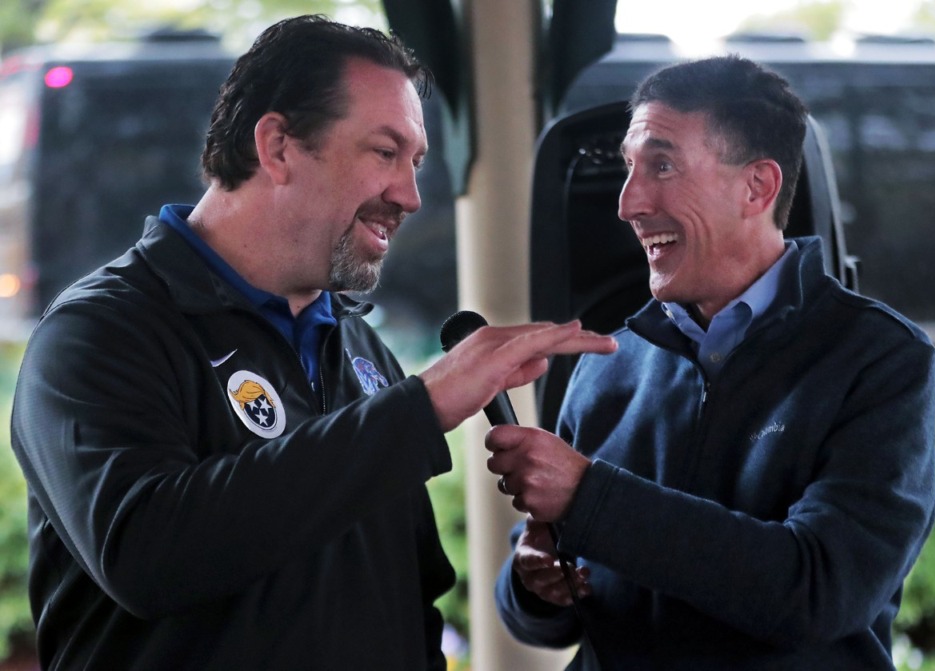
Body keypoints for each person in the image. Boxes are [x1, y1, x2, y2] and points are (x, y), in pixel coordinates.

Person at [9, 15, 617, 670]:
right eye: (384, 153)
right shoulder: (101, 332)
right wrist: (421, 406)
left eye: (416, 162)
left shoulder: (359, 348)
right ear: (276, 146)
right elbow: (145, 555)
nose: (410, 196)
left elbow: (406, 601)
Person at [488, 55, 935, 670]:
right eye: (629, 167)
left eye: (663, 164)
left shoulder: (881, 360)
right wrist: (531, 580)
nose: (627, 203)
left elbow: (818, 592)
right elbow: (544, 615)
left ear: (758, 186)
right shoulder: (605, 364)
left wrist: (588, 497)